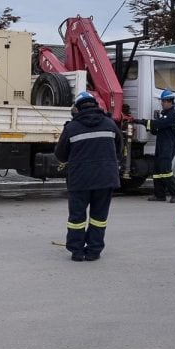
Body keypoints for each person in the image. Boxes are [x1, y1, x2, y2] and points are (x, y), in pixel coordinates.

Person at [55, 91, 123, 262]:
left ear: (77, 108)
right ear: (95, 105)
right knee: (99, 217)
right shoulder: (110, 124)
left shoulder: (71, 128)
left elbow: (60, 155)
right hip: (105, 179)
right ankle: (94, 251)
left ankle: (77, 251)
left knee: (77, 218)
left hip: (80, 181)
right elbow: (119, 149)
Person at [134, 89, 175, 203]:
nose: (162, 103)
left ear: (170, 102)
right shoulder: (164, 114)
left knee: (165, 170)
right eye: (162, 101)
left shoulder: (173, 115)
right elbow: (157, 129)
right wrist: (150, 127)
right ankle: (159, 195)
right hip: (161, 145)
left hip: (169, 146)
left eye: (164, 101)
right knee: (157, 171)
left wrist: (142, 122)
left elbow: (159, 124)